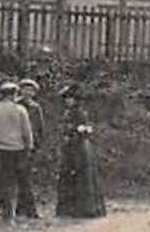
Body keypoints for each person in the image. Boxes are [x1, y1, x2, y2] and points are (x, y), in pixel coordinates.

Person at [0, 80, 34, 222]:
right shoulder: (20, 110)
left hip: (1, 149)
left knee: (5, 181)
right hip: (18, 149)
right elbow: (27, 132)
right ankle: (23, 210)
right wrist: (29, 147)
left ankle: (7, 211)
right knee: (21, 180)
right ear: (14, 94)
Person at [55, 82, 106, 219]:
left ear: (75, 99)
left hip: (79, 147)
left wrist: (76, 131)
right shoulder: (68, 112)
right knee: (68, 175)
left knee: (82, 175)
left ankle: (85, 209)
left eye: (70, 98)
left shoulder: (80, 112)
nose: (68, 101)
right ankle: (69, 208)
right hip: (70, 146)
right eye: (66, 99)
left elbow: (85, 129)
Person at [16, 79, 46, 219]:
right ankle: (20, 208)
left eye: (31, 90)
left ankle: (26, 209)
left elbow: (39, 128)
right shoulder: (15, 105)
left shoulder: (35, 108)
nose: (27, 92)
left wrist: (36, 144)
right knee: (16, 177)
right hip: (15, 144)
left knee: (25, 177)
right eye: (25, 89)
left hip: (30, 146)